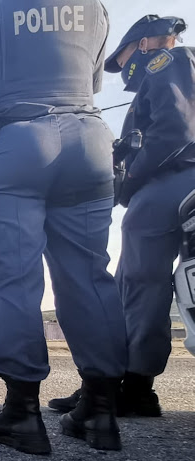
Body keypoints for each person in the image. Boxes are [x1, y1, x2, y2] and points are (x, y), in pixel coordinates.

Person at [0, 0, 127, 455]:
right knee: (87, 275)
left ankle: (22, 412)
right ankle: (100, 408)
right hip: (90, 142)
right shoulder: (96, 12)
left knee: (15, 280)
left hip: (15, 141)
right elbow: (90, 83)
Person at [50, 15, 193, 419]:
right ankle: (122, 384)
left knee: (137, 282)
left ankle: (122, 386)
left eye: (124, 55)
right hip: (173, 177)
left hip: (171, 177)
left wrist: (127, 180)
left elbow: (173, 130)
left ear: (145, 43)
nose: (123, 67)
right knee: (136, 281)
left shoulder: (171, 61)